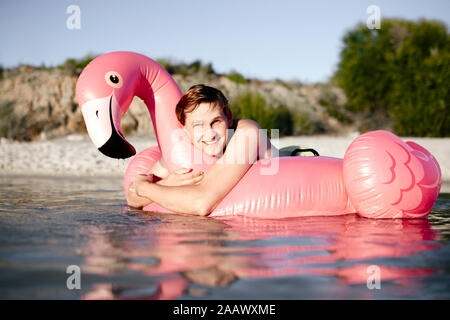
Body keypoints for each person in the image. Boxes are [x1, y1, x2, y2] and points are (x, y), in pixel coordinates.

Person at [126, 84, 314, 215]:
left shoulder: (246, 133)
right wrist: (166, 184)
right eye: (198, 126)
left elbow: (202, 204)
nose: (210, 134)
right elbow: (132, 199)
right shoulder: (182, 150)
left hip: (298, 164)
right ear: (184, 129)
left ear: (228, 118)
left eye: (215, 122)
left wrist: (146, 188)